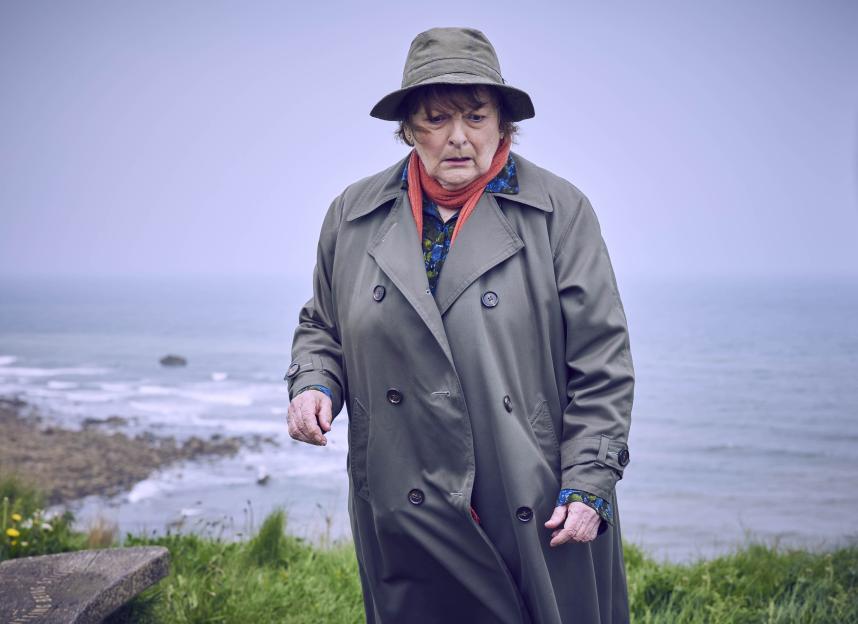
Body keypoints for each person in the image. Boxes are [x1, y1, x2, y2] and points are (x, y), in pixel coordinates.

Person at [285, 27, 634, 624]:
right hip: (402, 493)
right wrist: (313, 383)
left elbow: (602, 362)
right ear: (408, 129)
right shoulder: (353, 213)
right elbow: (323, 325)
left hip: (531, 494)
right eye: (436, 118)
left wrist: (589, 482)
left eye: (475, 116)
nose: (457, 137)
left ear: (503, 123)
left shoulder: (559, 212)